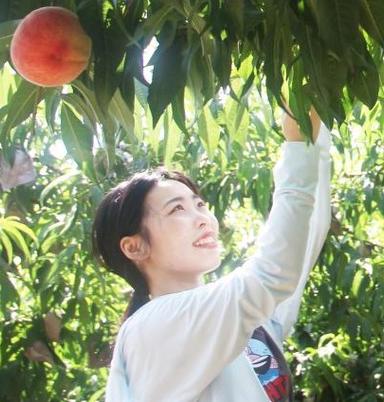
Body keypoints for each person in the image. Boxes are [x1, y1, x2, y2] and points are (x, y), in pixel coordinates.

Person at [92, 108, 332, 402]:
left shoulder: (244, 320)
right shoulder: (152, 326)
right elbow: (275, 273)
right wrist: (297, 143)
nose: (203, 218)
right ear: (134, 247)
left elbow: (307, 234)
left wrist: (313, 136)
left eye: (200, 204)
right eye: (177, 209)